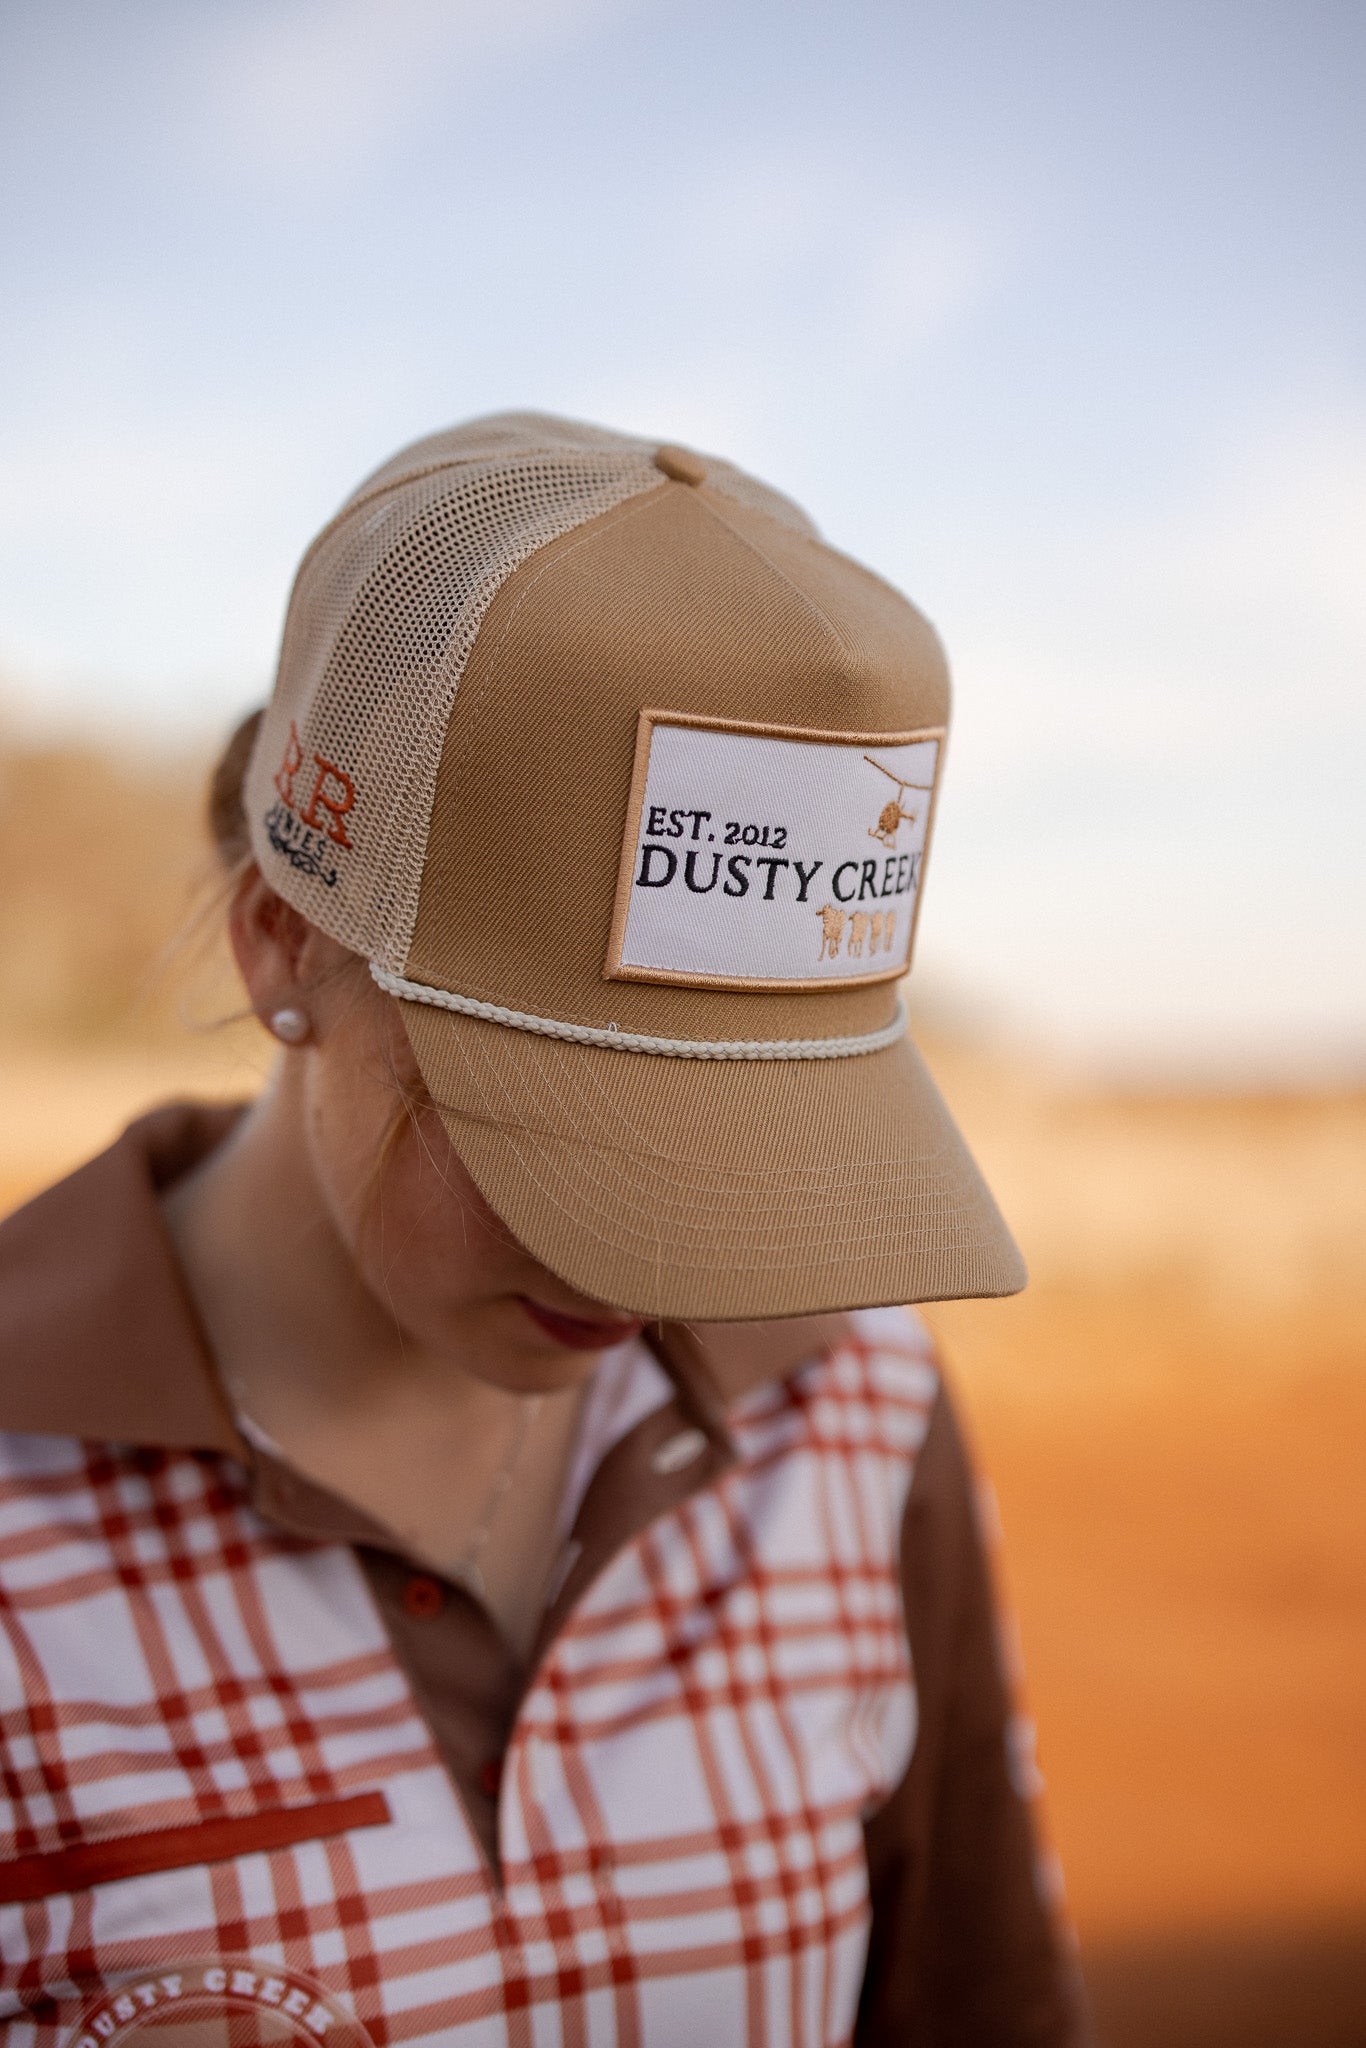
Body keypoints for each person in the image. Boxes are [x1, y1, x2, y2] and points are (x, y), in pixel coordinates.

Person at [0, 414, 1089, 2045]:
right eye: (553, 1121)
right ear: (282, 941)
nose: (647, 1259)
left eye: (747, 1123)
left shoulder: (850, 1408)